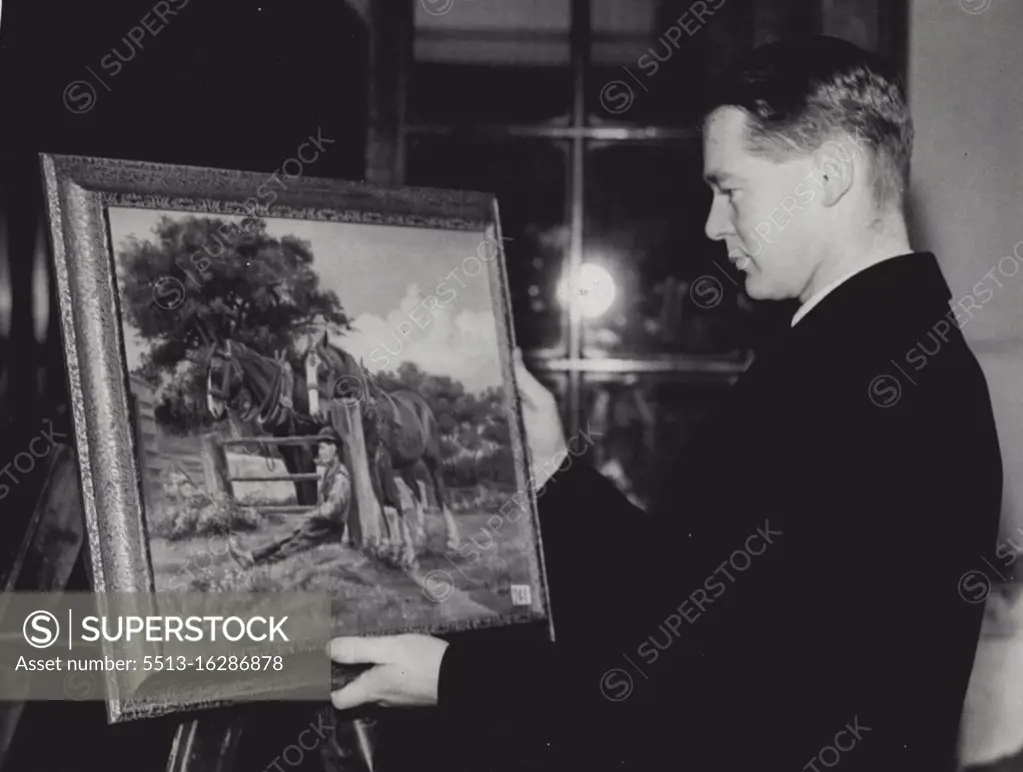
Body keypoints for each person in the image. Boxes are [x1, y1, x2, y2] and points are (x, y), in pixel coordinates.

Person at [326, 36, 1004, 771]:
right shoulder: (876, 351)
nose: (713, 225)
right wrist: (555, 468)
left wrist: (454, 681)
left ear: (832, 173)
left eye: (730, 188)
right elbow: (693, 604)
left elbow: (706, 695)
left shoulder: (855, 379)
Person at [229, 425, 351, 566]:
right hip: (323, 524)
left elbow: (332, 510)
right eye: (319, 448)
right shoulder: (330, 473)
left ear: (335, 448)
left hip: (330, 529)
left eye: (323, 448)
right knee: (287, 535)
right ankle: (253, 556)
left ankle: (261, 564)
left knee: (296, 544)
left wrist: (312, 514)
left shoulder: (341, 478)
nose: (320, 452)